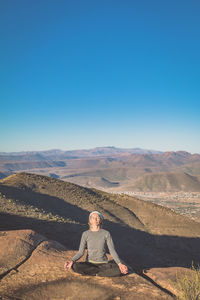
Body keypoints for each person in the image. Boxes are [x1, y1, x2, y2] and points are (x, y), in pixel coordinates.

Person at [64, 211, 128, 277]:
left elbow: (112, 251)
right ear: (90, 220)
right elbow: (81, 252)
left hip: (103, 264)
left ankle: (95, 272)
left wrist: (120, 264)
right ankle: (100, 273)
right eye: (93, 218)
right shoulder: (85, 234)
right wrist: (72, 260)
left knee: (119, 270)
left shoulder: (106, 233)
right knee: (74, 266)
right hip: (89, 263)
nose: (95, 219)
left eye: (97, 218)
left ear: (100, 220)